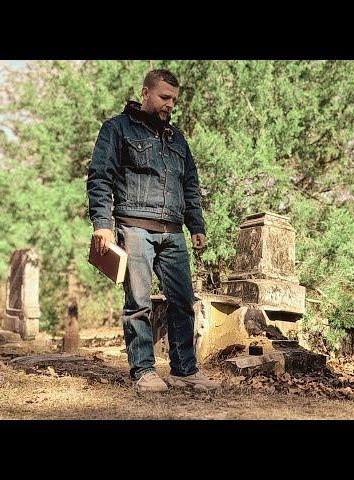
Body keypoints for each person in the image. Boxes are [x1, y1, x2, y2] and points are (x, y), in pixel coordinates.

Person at [87, 69, 219, 393]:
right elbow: (99, 177)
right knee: (139, 303)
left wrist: (196, 226)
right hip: (134, 227)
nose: (170, 104)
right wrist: (102, 225)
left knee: (183, 302)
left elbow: (190, 185)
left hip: (174, 232)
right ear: (145, 93)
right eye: (164, 97)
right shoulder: (116, 129)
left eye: (174, 99)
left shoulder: (177, 140)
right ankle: (143, 371)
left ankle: (184, 370)